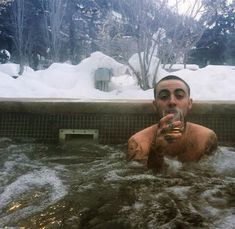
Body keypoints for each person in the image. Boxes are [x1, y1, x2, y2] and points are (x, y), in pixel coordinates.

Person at [127, 75, 218, 172]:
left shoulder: (206, 138)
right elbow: (141, 182)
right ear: (155, 105)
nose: (172, 102)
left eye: (179, 96)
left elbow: (211, 177)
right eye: (164, 97)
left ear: (189, 103)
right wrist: (157, 150)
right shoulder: (139, 143)